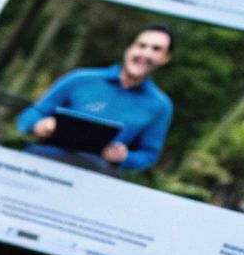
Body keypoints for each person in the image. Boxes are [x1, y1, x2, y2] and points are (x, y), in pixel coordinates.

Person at [15, 25, 176, 173]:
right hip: (43, 161)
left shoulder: (161, 106)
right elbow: (31, 115)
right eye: (141, 45)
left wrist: (125, 157)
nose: (145, 53)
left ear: (165, 58)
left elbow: (148, 154)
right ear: (129, 49)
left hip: (97, 174)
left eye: (156, 49)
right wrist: (38, 124)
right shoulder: (80, 78)